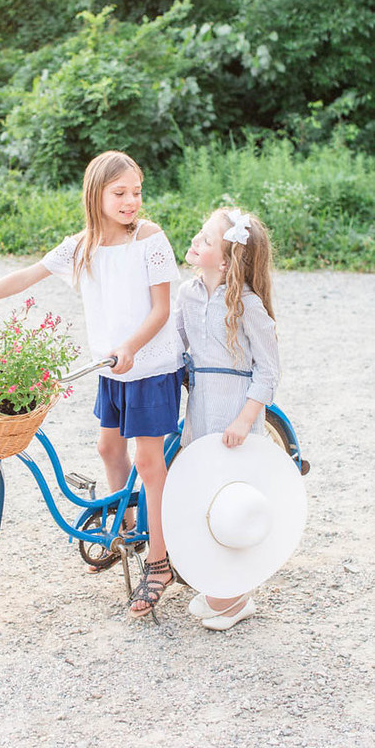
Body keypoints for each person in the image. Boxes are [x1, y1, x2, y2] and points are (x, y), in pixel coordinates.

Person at [0, 150, 184, 618]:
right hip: (111, 370)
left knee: (149, 464)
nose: (131, 201)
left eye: (136, 192)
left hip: (148, 368)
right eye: (120, 193)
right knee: (108, 450)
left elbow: (161, 311)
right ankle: (125, 530)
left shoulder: (149, 240)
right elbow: (25, 276)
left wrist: (132, 346)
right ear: (96, 195)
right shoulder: (82, 246)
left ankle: (159, 562)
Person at [173, 207, 280, 630]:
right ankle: (219, 586)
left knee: (232, 500)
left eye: (206, 240)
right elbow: (176, 345)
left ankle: (238, 596)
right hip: (199, 409)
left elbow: (269, 370)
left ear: (225, 259)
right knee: (204, 497)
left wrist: (245, 418)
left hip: (234, 413)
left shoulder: (247, 305)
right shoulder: (188, 294)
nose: (196, 242)